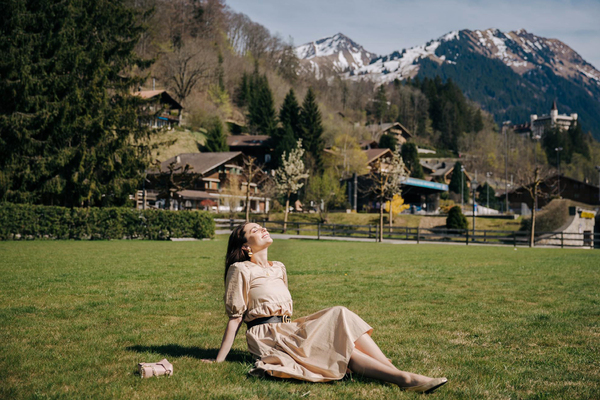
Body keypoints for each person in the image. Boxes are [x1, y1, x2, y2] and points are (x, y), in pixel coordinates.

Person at [202, 222, 448, 393]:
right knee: (339, 346)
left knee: (340, 313)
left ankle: (396, 372)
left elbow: (286, 310)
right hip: (269, 337)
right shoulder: (240, 270)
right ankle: (404, 379)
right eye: (254, 230)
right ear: (245, 247)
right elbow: (235, 318)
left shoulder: (279, 267)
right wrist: (219, 360)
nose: (263, 229)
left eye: (261, 226)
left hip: (289, 328)